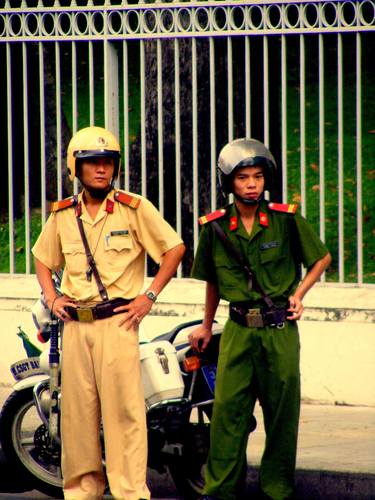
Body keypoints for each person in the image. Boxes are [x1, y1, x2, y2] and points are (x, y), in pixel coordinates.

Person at [32, 126, 185, 500]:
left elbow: (174, 249)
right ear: (76, 168)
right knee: (78, 418)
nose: (101, 170)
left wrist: (148, 296)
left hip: (118, 323)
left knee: (124, 417)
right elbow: (42, 258)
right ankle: (83, 491)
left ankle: (130, 492)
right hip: (75, 327)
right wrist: (52, 299)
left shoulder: (135, 208)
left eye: (107, 163)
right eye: (92, 163)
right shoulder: (63, 214)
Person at [188, 138, 331, 500]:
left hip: (279, 330)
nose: (252, 184)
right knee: (227, 415)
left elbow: (321, 259)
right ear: (229, 183)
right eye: (243, 178)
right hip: (237, 330)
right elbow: (213, 282)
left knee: (282, 415)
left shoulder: (285, 219)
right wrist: (206, 325)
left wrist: (298, 296)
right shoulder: (215, 227)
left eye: (257, 176)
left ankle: (277, 490)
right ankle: (220, 491)